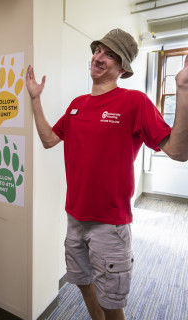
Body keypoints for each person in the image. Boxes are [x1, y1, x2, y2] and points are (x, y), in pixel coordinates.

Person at [26, 28, 188, 320]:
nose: (98, 58)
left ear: (122, 68)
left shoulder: (134, 102)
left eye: (109, 55)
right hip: (75, 217)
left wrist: (183, 89)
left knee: (112, 302)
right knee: (83, 284)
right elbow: (49, 139)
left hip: (109, 225)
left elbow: (178, 150)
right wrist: (35, 100)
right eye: (98, 50)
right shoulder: (77, 105)